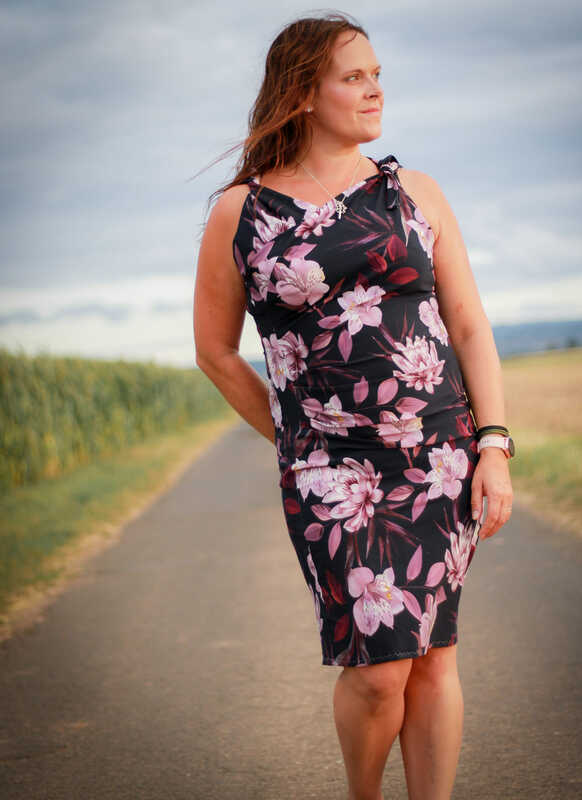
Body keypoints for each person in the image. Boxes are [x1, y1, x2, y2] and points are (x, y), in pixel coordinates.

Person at [193, 11, 514, 800]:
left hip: (439, 457)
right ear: (304, 93)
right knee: (377, 671)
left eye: (377, 76)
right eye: (354, 77)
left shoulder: (415, 193)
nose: (375, 91)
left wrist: (494, 444)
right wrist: (292, 439)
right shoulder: (241, 213)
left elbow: (469, 324)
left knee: (432, 654)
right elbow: (216, 351)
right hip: (330, 472)